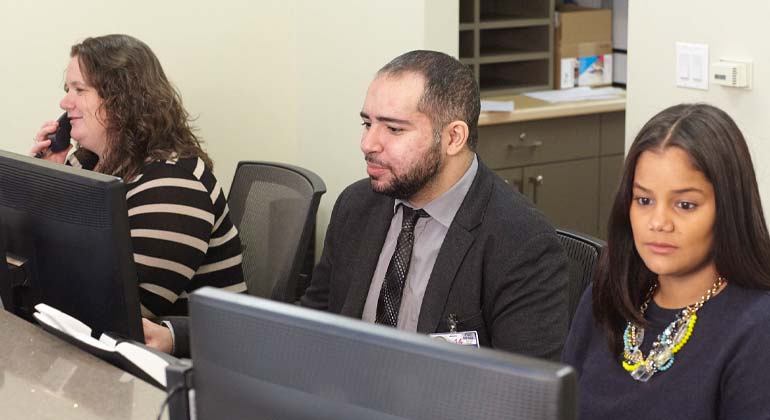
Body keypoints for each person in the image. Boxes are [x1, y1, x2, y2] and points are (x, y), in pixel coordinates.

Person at [299, 50, 569, 359]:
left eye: (394, 129)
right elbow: (312, 325)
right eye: (367, 123)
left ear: (453, 137)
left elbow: (525, 391)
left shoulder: (521, 241)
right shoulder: (357, 205)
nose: (368, 144)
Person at [31, 34, 246, 356]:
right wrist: (47, 180)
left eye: (80, 90)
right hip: (110, 355)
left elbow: (116, 310)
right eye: (67, 91)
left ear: (122, 99)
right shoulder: (89, 164)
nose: (65, 103)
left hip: (181, 374)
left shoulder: (174, 186)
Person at [562, 103, 770, 418]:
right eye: (644, 200)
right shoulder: (605, 298)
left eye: (685, 205)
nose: (658, 222)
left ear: (728, 208)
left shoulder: (756, 328)